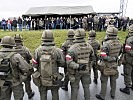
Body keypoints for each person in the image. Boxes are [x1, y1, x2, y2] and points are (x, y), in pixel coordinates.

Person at [32, 30, 65, 100]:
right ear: (52, 38)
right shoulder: (57, 50)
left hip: (41, 78)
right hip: (54, 77)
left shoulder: (37, 50)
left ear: (42, 38)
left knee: (43, 94)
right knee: (55, 93)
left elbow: (34, 64)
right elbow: (62, 63)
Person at [0, 36, 32, 100]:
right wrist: (24, 75)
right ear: (12, 44)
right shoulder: (16, 56)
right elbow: (26, 68)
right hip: (15, 81)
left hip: (2, 82)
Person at [66, 29, 95, 100]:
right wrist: (88, 66)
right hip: (86, 71)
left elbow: (68, 61)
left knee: (74, 88)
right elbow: (93, 58)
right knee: (86, 87)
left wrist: (78, 66)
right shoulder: (89, 46)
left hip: (76, 72)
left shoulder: (72, 48)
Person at [96, 27, 122, 100]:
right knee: (113, 80)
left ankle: (102, 95)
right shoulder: (119, 43)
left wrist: (110, 58)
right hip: (114, 65)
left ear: (108, 34)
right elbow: (120, 52)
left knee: (104, 81)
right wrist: (114, 58)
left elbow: (103, 56)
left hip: (106, 65)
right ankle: (113, 94)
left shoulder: (106, 44)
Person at [14, 34, 35, 99]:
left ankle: (20, 96)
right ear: (21, 41)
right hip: (25, 69)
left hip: (16, 70)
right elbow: (30, 57)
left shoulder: (12, 50)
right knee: (27, 82)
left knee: (18, 83)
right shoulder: (25, 49)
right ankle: (29, 93)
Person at [120, 24, 133, 95]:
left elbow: (127, 50)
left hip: (129, 58)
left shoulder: (129, 39)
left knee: (127, 73)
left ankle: (127, 88)